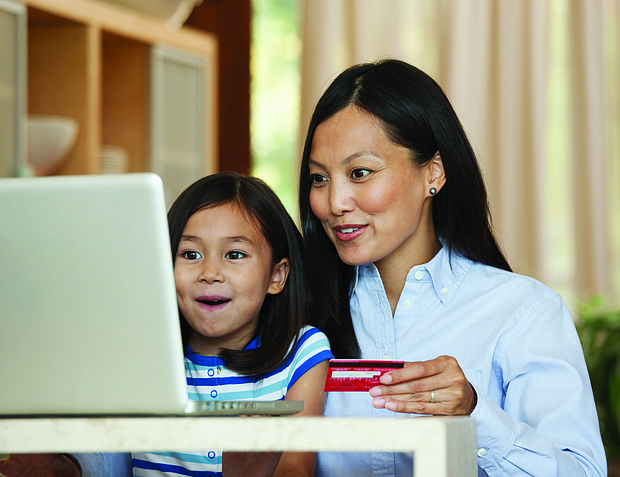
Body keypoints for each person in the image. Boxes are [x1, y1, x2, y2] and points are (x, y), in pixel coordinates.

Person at [298, 59, 606, 476]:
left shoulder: (523, 312)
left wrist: (474, 417)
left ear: (434, 172)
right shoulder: (297, 316)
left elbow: (582, 471)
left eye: (360, 172)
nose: (334, 202)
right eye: (319, 179)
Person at [0, 172, 333, 477]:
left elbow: (296, 468)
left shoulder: (303, 351)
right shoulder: (140, 354)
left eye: (234, 254)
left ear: (277, 276)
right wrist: (64, 466)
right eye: (190, 254)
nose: (209, 272)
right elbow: (105, 445)